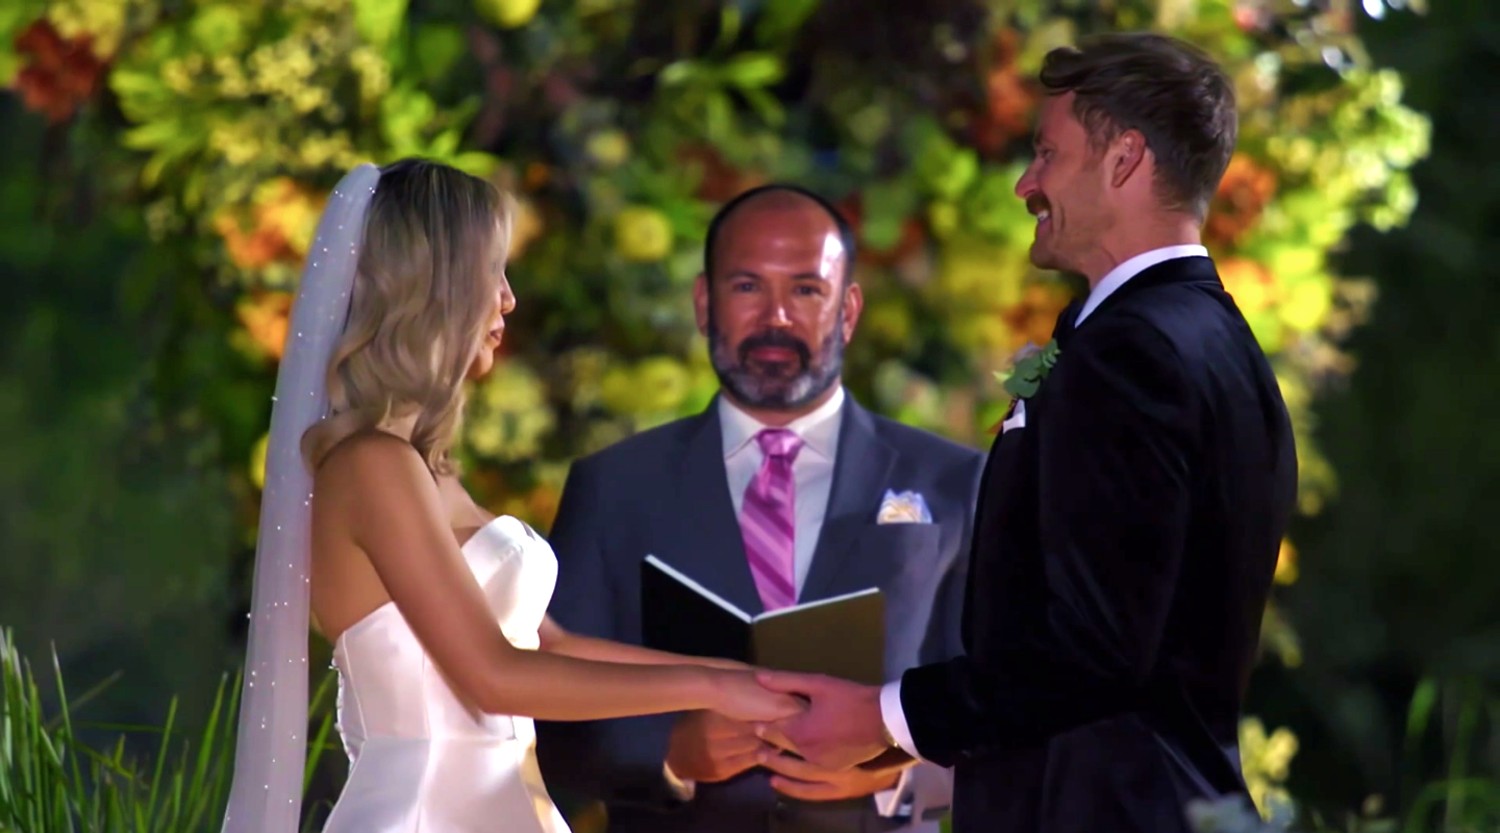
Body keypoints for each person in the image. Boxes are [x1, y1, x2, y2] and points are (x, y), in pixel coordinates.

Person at [752, 33, 1300, 833]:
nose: (1025, 183)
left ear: (1125, 160)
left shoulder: (1131, 352)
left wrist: (883, 717)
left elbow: (1097, 651)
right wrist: (911, 744)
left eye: (1047, 154)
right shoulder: (1215, 342)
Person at [219, 159, 802, 833]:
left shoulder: (425, 466)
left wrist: (735, 674)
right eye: (489, 271)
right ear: (431, 285)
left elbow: (547, 646)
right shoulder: (370, 466)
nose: (507, 298)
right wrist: (706, 687)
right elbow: (492, 675)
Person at [534, 184, 985, 833]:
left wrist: (897, 770)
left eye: (806, 289)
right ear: (703, 303)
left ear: (849, 308)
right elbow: (547, 719)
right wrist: (670, 754)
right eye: (747, 287)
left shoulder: (955, 480)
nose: (776, 317)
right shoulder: (613, 486)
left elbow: (1012, 703)